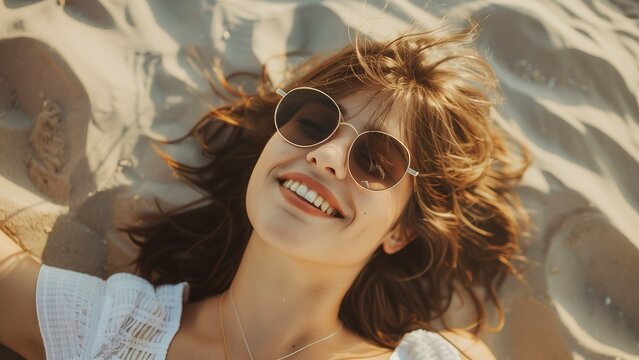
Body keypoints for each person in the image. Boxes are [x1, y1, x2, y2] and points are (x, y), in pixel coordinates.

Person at [0, 23, 530, 360]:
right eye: (314, 121)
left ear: (400, 230)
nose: (325, 155)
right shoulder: (118, 329)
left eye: (374, 159)